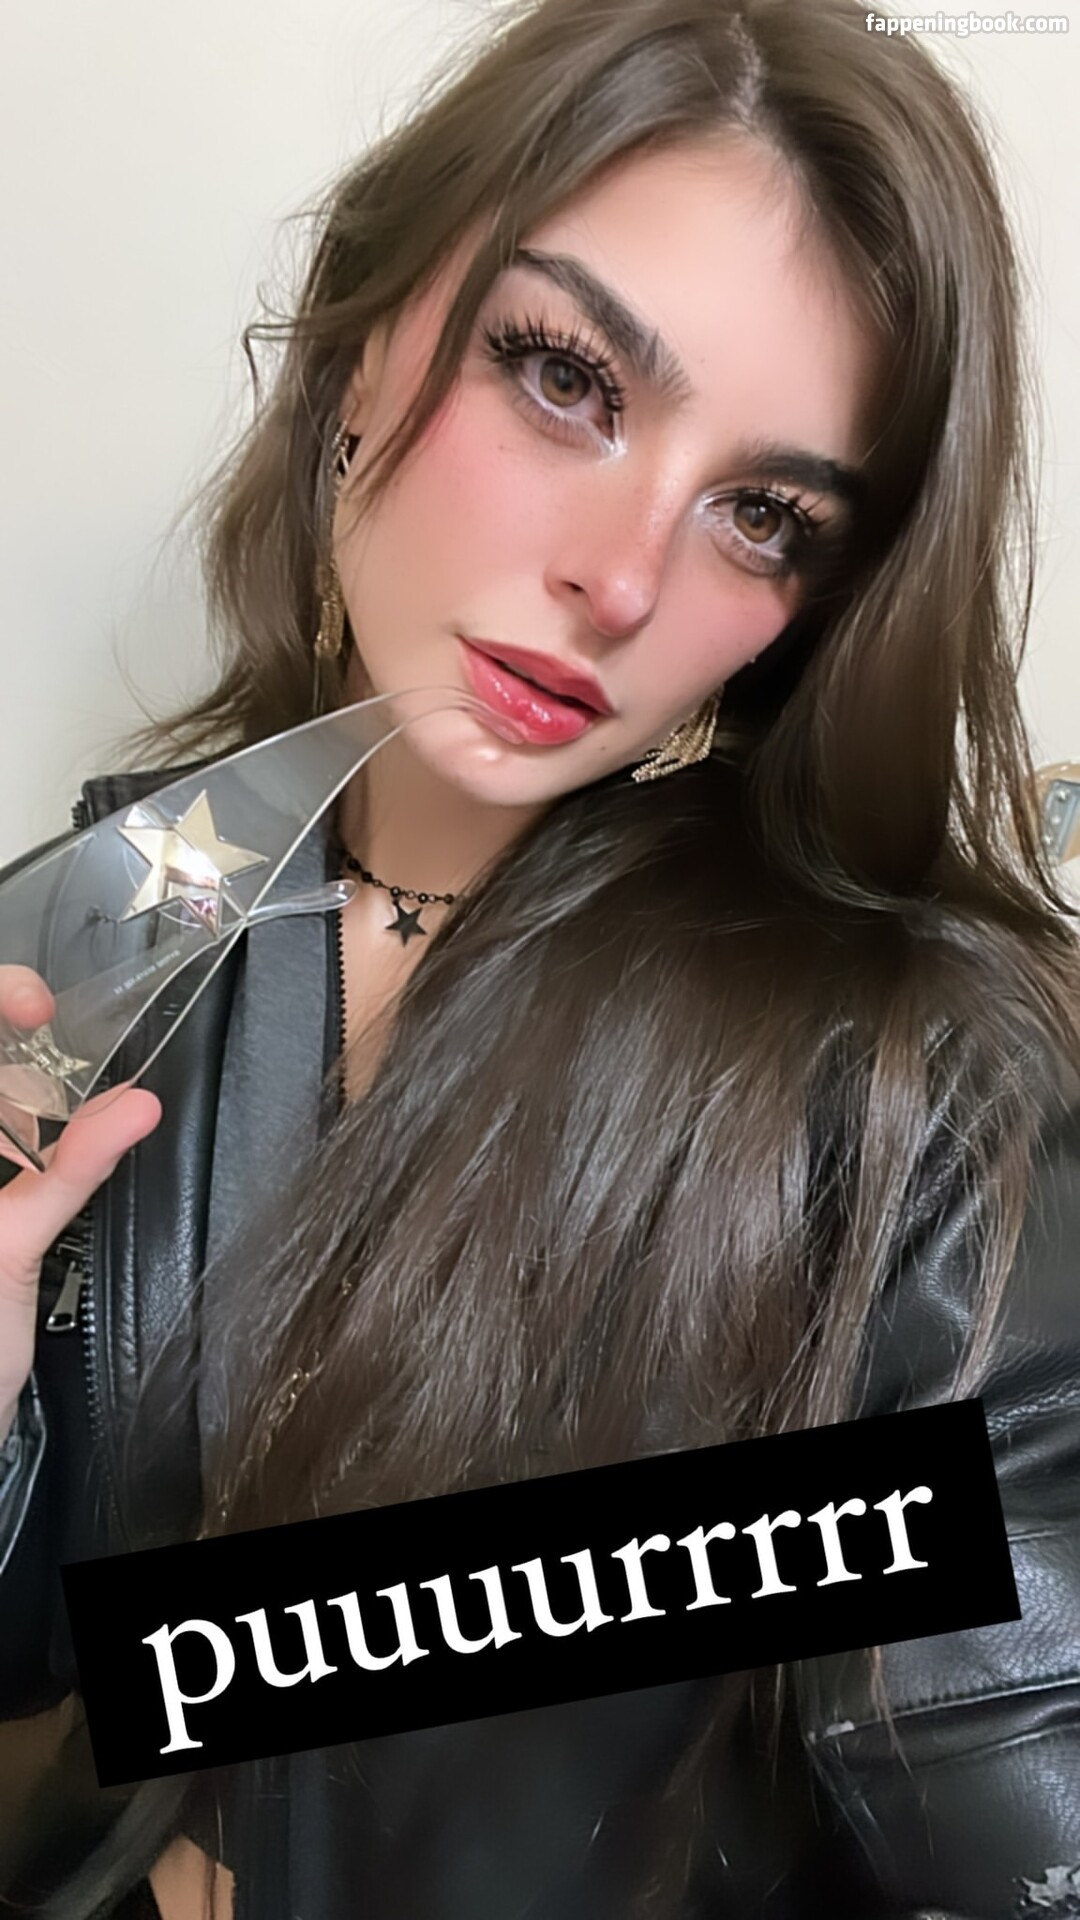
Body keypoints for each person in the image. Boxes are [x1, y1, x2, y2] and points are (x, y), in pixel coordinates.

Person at [2, 0, 1080, 1914]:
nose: (627, 576)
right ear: (361, 339)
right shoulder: (99, 924)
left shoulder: (925, 1092)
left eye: (763, 513)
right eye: (569, 376)